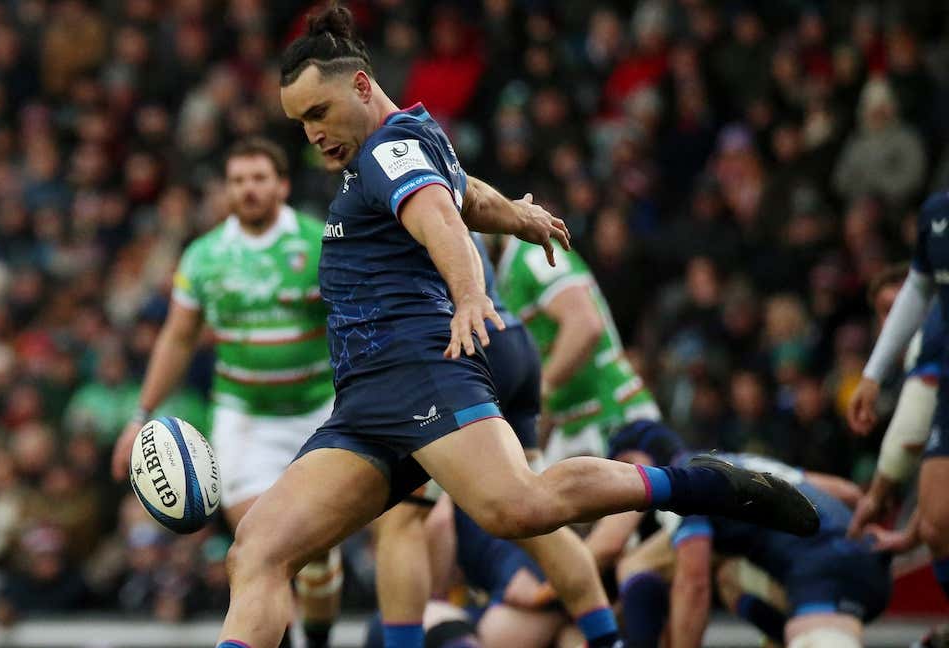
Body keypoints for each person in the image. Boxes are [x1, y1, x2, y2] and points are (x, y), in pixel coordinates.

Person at [213, 8, 817, 648]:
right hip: (363, 404)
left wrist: (471, 292)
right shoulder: (406, 140)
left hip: (421, 377)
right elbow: (463, 195)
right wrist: (518, 217)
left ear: (362, 85)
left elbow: (442, 220)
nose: (312, 132)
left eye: (318, 111)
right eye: (300, 122)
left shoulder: (389, 149)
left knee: (519, 507)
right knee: (257, 550)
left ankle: (700, 485)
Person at [109, 137, 342, 647]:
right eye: (238, 180)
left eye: (259, 179)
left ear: (281, 184)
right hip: (245, 419)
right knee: (263, 546)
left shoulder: (318, 242)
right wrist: (140, 414)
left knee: (318, 554)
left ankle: (317, 641)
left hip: (319, 412)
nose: (248, 190)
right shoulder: (204, 256)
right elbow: (177, 337)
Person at [371, 233, 620, 648]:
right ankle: (608, 639)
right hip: (512, 342)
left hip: (455, 351)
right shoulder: (451, 178)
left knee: (403, 521)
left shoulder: (386, 179)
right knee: (533, 506)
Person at [609, 422, 891, 648]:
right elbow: (849, 492)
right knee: (730, 576)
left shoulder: (681, 482)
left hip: (824, 567)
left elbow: (693, 584)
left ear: (632, 459)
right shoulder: (738, 461)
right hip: (863, 556)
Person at [848, 190, 949, 605]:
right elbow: (919, 285)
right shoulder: (937, 214)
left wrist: (878, 492)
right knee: (938, 524)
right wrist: (873, 373)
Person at [497, 235, 660, 463]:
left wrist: (539, 387)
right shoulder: (497, 278)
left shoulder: (534, 254)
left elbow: (584, 324)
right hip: (571, 426)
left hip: (610, 415)